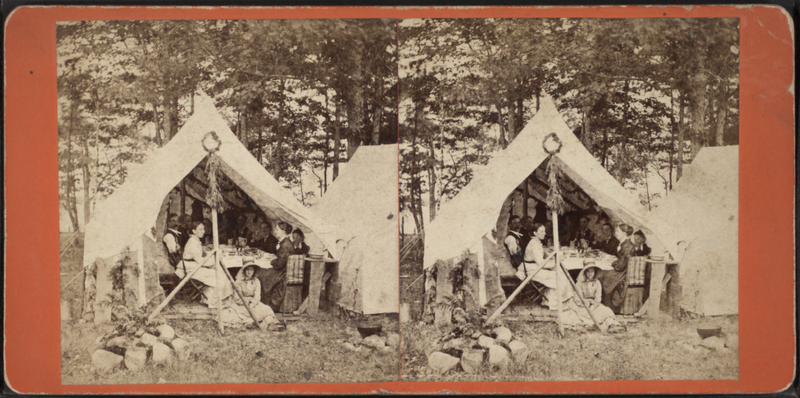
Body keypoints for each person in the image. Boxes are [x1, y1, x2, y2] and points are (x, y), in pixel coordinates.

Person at [177, 220, 232, 309]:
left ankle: (216, 298)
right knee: (217, 274)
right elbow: (200, 261)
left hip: (194, 265)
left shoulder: (194, 240)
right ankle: (212, 300)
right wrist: (214, 260)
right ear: (194, 231)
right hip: (190, 268)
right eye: (200, 229)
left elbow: (199, 255)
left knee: (218, 271)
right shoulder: (192, 242)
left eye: (203, 229)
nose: (203, 231)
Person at [518, 223, 573, 309]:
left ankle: (557, 300)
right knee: (559, 275)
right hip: (531, 270)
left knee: (560, 272)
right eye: (541, 231)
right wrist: (555, 262)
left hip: (534, 267)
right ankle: (552, 302)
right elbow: (541, 263)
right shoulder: (534, 244)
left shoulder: (535, 242)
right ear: (535, 233)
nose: (544, 233)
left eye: (544, 231)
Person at [563, 261, 625, 333]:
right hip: (582, 305)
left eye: (592, 271)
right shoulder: (579, 283)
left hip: (594, 304)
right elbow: (577, 298)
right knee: (581, 315)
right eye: (588, 271)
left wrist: (594, 305)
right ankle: (587, 327)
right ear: (585, 272)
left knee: (605, 311)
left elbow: (598, 298)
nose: (590, 274)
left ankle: (612, 326)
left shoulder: (597, 283)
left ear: (595, 272)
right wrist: (586, 303)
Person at [221, 258, 280, 328]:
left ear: (254, 271)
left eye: (251, 270)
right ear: (244, 271)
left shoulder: (256, 281)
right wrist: (246, 303)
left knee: (266, 309)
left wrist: (252, 303)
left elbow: (257, 296)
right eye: (247, 270)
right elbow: (237, 297)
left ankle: (271, 325)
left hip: (253, 303)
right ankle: (247, 324)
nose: (249, 272)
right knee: (232, 314)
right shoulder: (238, 282)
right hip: (241, 303)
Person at [256, 221, 294, 311]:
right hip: (281, 268)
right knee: (261, 270)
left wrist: (272, 261)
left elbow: (279, 265)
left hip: (282, 272)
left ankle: (267, 303)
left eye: (277, 229)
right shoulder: (283, 242)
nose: (275, 231)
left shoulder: (286, 244)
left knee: (261, 273)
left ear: (283, 231)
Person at [597, 225, 635, 313]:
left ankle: (609, 306)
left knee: (602, 276)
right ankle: (603, 303)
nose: (616, 233)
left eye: (618, 231)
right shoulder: (623, 244)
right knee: (600, 272)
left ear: (624, 233)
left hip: (623, 272)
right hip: (621, 269)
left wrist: (613, 263)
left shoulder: (628, 246)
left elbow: (620, 266)